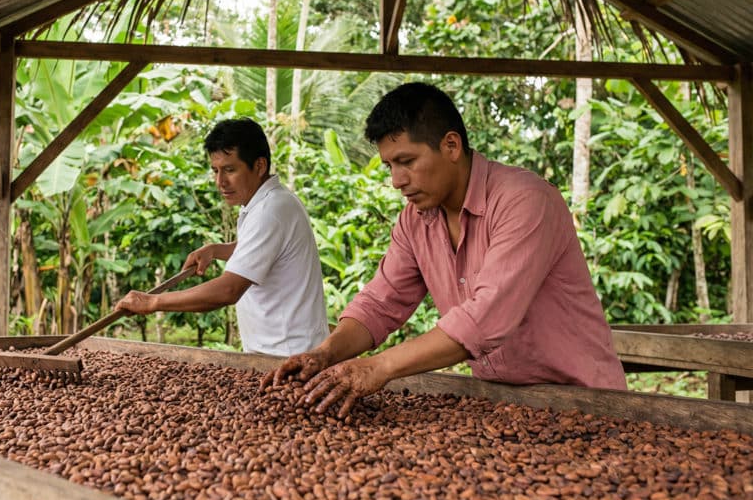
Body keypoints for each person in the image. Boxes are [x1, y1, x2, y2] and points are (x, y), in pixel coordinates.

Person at [262, 83, 626, 416]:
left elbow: (485, 318)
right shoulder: (415, 220)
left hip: (587, 404)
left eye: (407, 162)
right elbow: (380, 304)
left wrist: (378, 367)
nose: (396, 180)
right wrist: (324, 354)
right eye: (390, 166)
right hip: (502, 405)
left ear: (451, 146)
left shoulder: (525, 201)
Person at [114, 118, 329, 356]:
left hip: (288, 355)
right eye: (215, 171)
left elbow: (228, 290)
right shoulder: (272, 202)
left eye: (230, 170)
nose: (220, 182)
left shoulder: (270, 211)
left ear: (259, 166)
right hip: (282, 351)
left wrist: (153, 302)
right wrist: (216, 250)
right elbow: (263, 249)